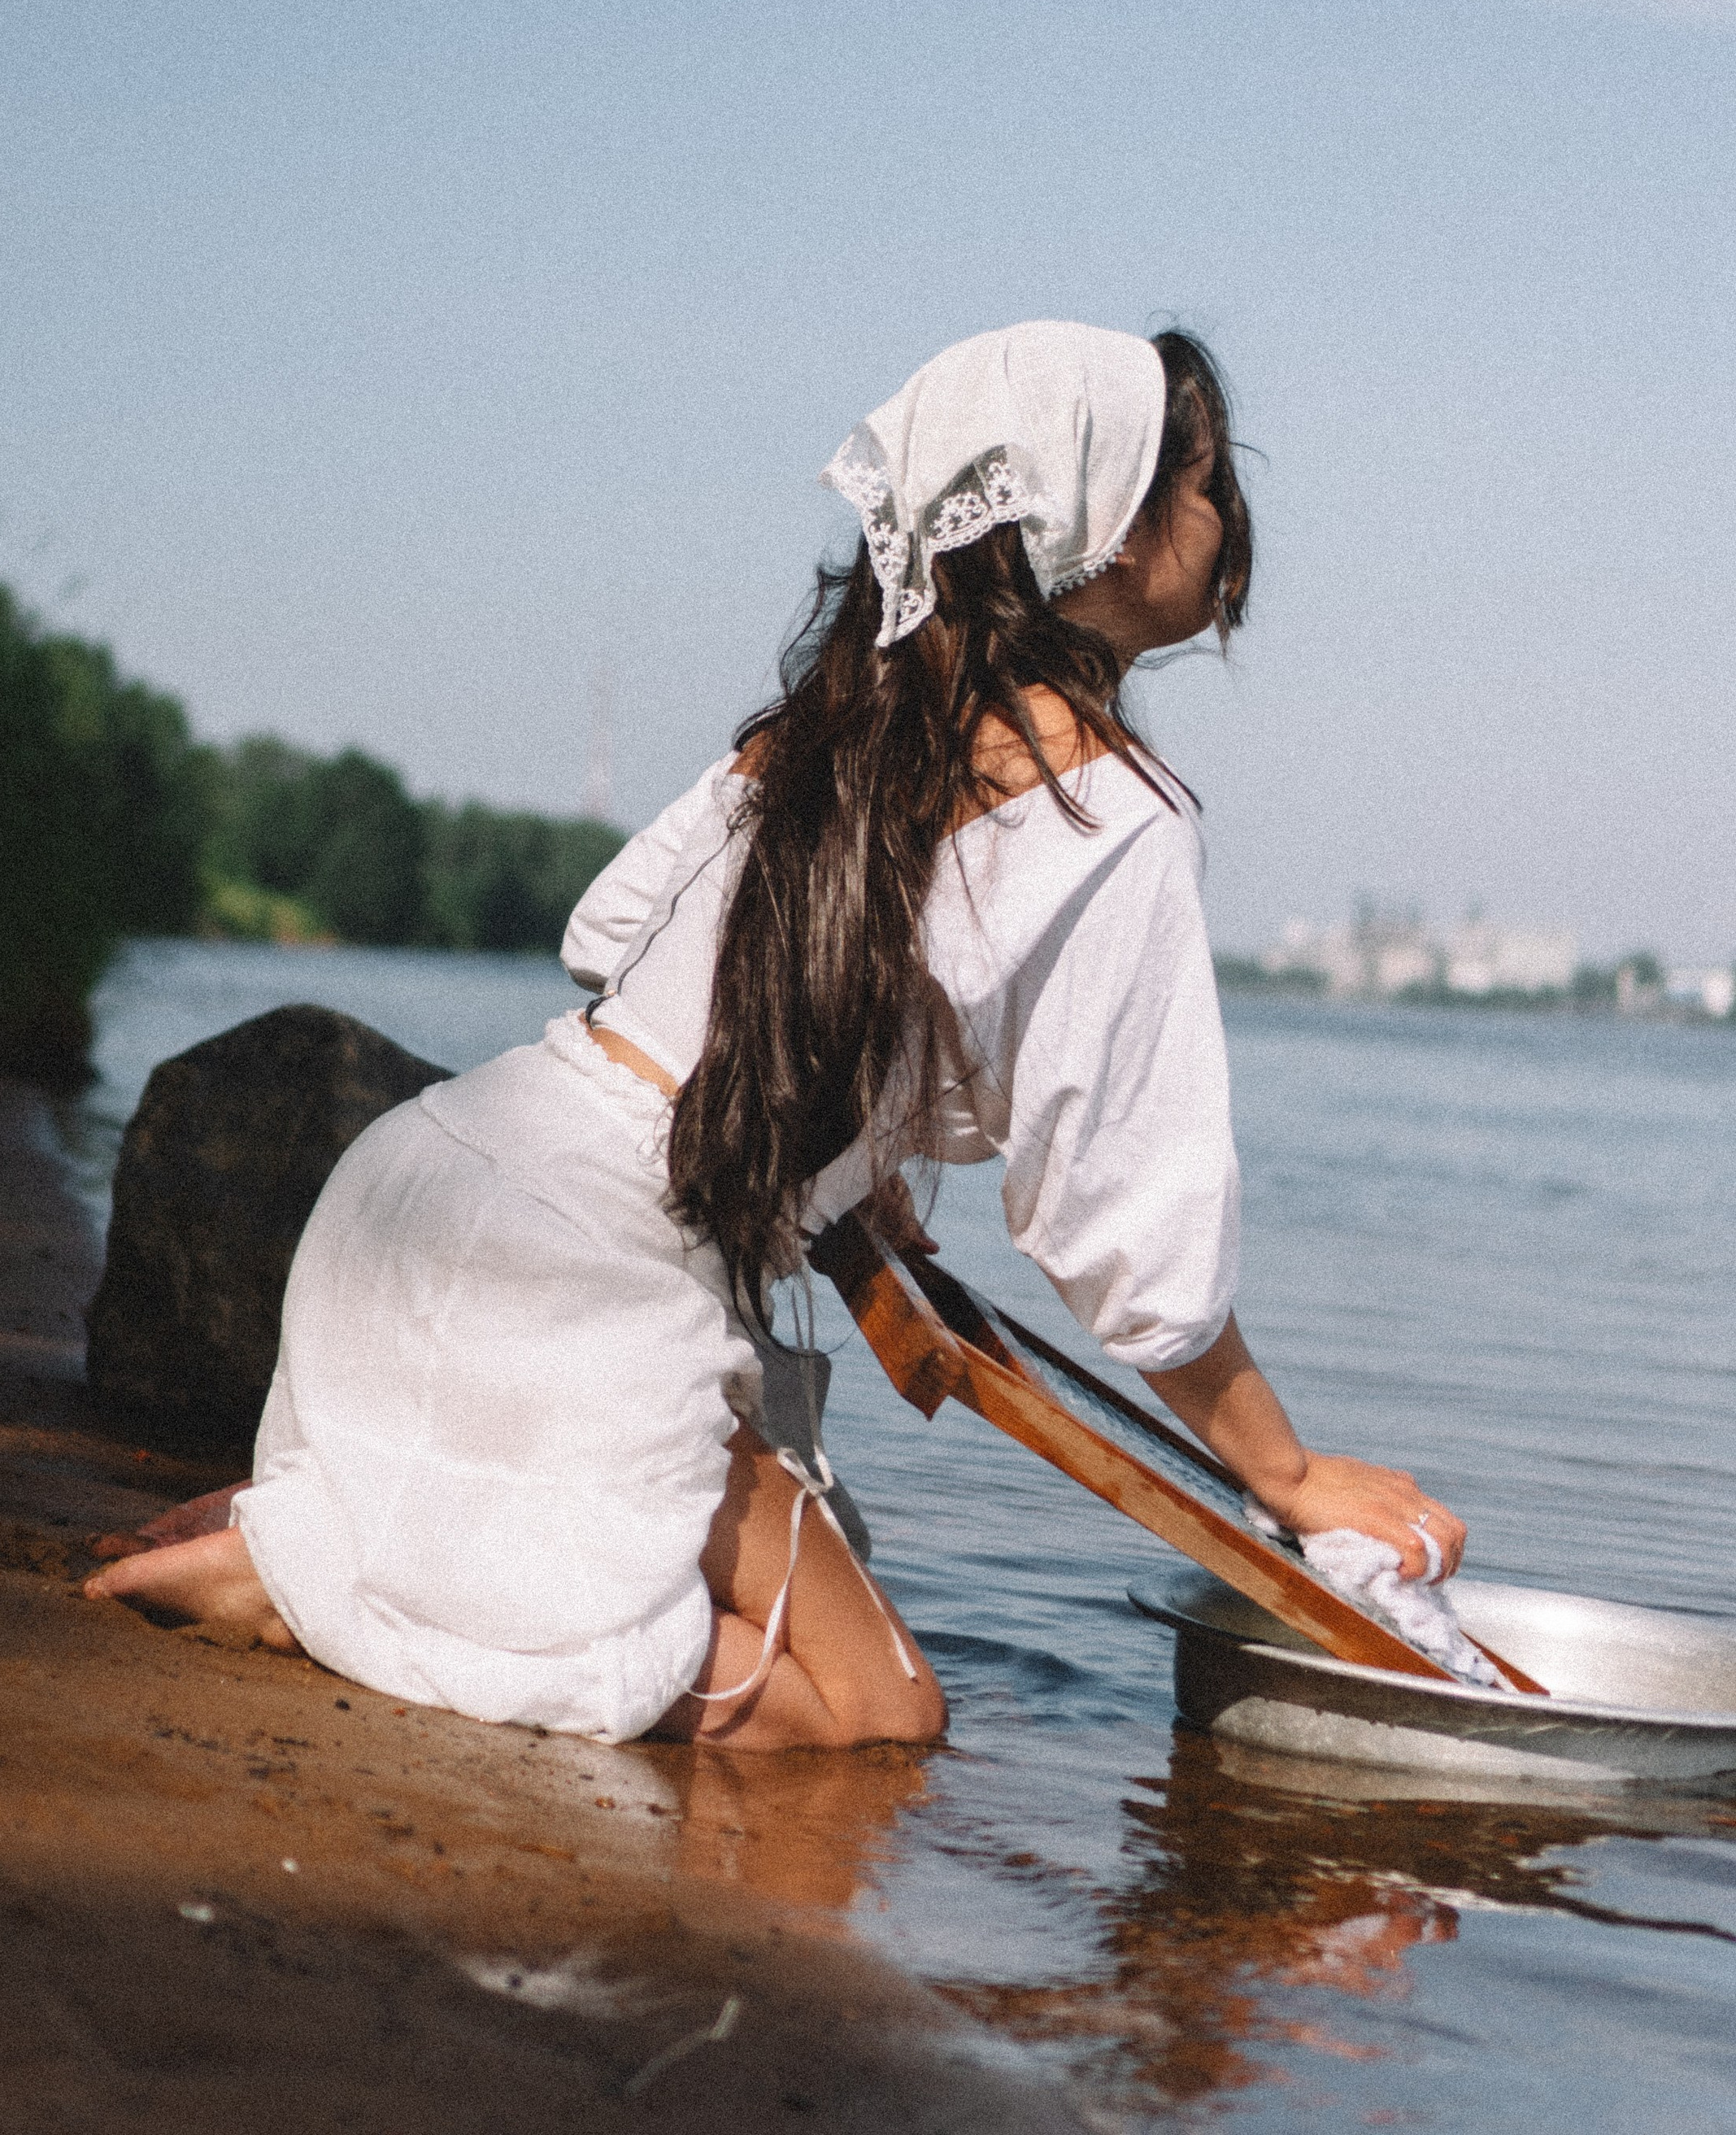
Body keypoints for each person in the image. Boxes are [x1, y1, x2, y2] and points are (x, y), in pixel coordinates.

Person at [86, 320, 1466, 1749]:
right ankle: (312, 1585)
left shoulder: (839, 718)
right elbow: (1125, 1232)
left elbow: (611, 939)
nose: (1227, 518)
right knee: (881, 1715)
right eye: (1205, 480)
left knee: (765, 1618)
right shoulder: (1111, 813)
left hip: (413, 1192)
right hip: (575, 1298)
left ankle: (367, 1542)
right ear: (1113, 519)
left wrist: (851, 1152)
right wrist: (1288, 1476)